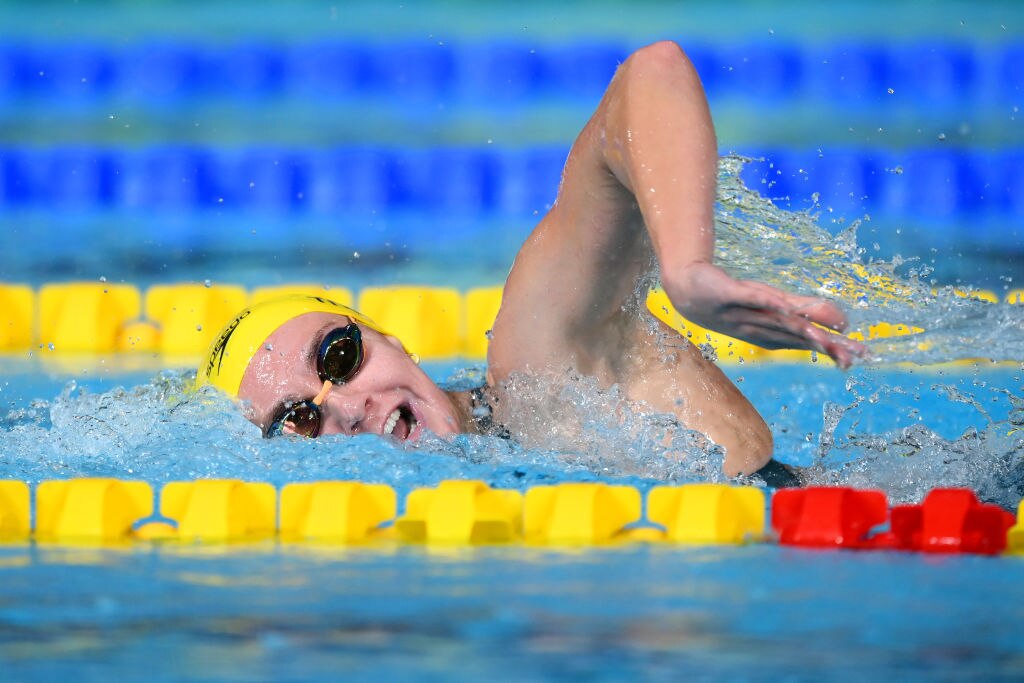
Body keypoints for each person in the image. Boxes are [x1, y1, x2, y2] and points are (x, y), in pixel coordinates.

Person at [197, 41, 865, 484]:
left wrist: (687, 270)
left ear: (383, 336)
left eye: (339, 357)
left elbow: (649, 76)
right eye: (299, 421)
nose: (347, 406)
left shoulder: (537, 371)